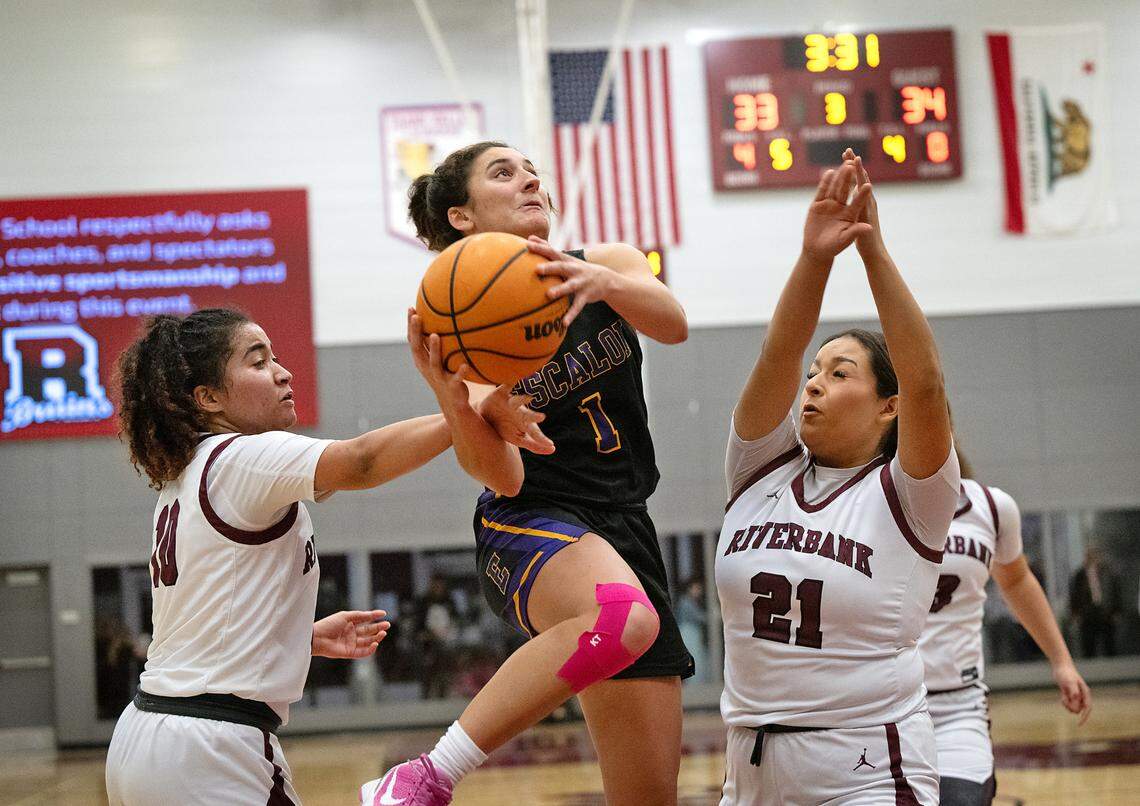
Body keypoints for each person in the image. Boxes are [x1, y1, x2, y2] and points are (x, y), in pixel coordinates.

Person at [361, 141, 692, 806]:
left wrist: (600, 283)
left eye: (531, 168)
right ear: (462, 216)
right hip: (534, 523)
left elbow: (675, 325)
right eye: (504, 172)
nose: (529, 178)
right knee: (623, 617)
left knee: (650, 797)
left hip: (627, 524)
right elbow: (504, 476)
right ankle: (425, 775)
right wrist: (454, 398)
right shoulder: (461, 322)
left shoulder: (608, 264)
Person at [105, 306, 542, 805]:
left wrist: (300, 638)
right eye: (257, 361)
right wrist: (469, 411)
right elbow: (362, 461)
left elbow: (200, 627)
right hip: (209, 746)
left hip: (146, 737)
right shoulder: (240, 459)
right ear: (208, 398)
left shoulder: (188, 478)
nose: (283, 372)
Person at [715, 151, 959, 805]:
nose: (815, 384)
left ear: (888, 404)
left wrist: (871, 250)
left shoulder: (911, 496)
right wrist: (815, 257)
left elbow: (927, 382)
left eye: (840, 373)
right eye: (817, 372)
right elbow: (779, 352)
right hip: (749, 765)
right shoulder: (757, 469)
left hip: (866, 768)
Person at [918, 449, 1092, 805]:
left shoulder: (991, 507)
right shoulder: (865, 499)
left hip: (958, 703)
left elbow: (1016, 581)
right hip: (879, 705)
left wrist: (1061, 661)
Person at [1070, 545, 1122, 657]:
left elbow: (1115, 591)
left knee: (1109, 645)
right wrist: (1075, 613)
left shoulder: (1108, 573)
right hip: (1087, 614)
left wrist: (1117, 611)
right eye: (1089, 555)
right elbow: (1075, 595)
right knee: (1088, 646)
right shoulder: (1080, 575)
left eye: (1095, 554)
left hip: (1105, 612)